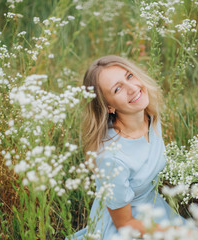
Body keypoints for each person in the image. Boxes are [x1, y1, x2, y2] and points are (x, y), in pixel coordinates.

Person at [68, 56, 185, 240]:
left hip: (154, 209)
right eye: (117, 88)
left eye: (129, 76)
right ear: (109, 106)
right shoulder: (111, 158)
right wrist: (177, 233)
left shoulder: (149, 115)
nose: (132, 88)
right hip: (126, 227)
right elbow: (125, 224)